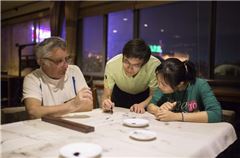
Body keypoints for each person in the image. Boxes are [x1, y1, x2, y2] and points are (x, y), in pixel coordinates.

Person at [22, 36, 93, 119]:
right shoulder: (32, 79)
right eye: (59, 61)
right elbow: (33, 112)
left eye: (66, 59)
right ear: (42, 62)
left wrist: (48, 111)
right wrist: (73, 104)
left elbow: (88, 105)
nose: (66, 65)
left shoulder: (74, 71)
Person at [147, 58, 222, 123]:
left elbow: (216, 114)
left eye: (163, 84)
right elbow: (150, 105)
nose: (159, 86)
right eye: (158, 81)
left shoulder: (199, 85)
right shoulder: (163, 87)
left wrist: (176, 116)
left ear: (180, 84)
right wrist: (159, 110)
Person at [102, 39, 161, 113]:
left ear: (144, 63)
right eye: (126, 62)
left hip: (144, 95)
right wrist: (106, 102)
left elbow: (154, 95)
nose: (129, 68)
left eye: (136, 65)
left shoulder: (154, 65)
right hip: (120, 94)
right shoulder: (111, 65)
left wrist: (142, 105)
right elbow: (106, 94)